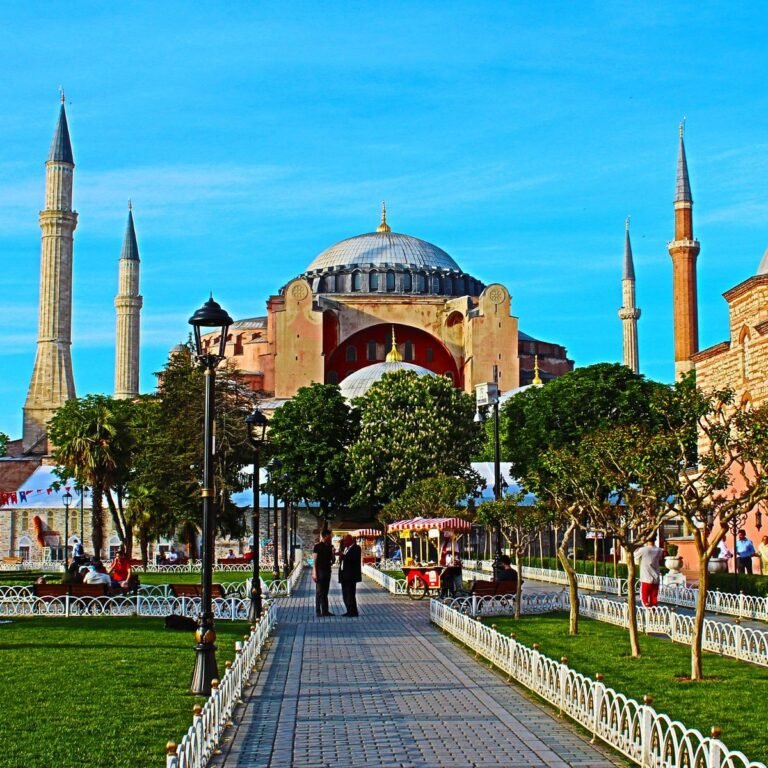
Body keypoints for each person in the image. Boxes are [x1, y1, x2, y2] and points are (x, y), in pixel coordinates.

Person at [312, 529, 335, 617]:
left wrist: (333, 553)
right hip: (319, 571)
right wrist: (314, 572)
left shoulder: (330, 546)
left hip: (327, 571)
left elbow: (333, 561)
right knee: (319, 591)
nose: (330, 538)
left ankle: (325, 610)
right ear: (324, 536)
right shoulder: (317, 546)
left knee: (325, 591)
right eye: (329, 537)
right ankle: (318, 611)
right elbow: (315, 560)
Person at [633, 539, 663, 607]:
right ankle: (653, 612)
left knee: (644, 598)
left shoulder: (644, 550)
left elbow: (634, 555)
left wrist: (638, 545)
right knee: (654, 598)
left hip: (646, 578)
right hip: (656, 578)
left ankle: (648, 613)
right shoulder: (659, 550)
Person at [338, 533, 362, 617]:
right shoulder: (346, 548)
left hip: (350, 576)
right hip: (344, 575)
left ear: (349, 540)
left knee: (350, 594)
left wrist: (343, 556)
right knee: (345, 594)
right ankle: (348, 610)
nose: (344, 542)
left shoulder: (356, 548)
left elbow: (353, 559)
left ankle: (353, 611)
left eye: (345, 541)